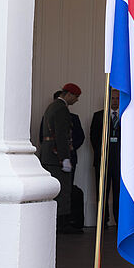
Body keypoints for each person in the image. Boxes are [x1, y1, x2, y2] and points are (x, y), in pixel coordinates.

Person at [39, 82, 83, 234]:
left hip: (48, 156)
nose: (76, 100)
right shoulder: (62, 109)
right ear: (69, 94)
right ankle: (61, 225)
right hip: (56, 158)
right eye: (76, 97)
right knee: (62, 190)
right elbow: (61, 136)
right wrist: (65, 158)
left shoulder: (52, 107)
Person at [89, 88, 121, 225]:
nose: (114, 101)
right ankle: (103, 221)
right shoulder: (98, 116)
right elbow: (93, 138)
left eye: (117, 98)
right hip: (103, 161)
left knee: (119, 194)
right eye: (112, 98)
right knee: (102, 192)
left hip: (120, 163)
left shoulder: (126, 115)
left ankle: (120, 221)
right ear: (107, 99)